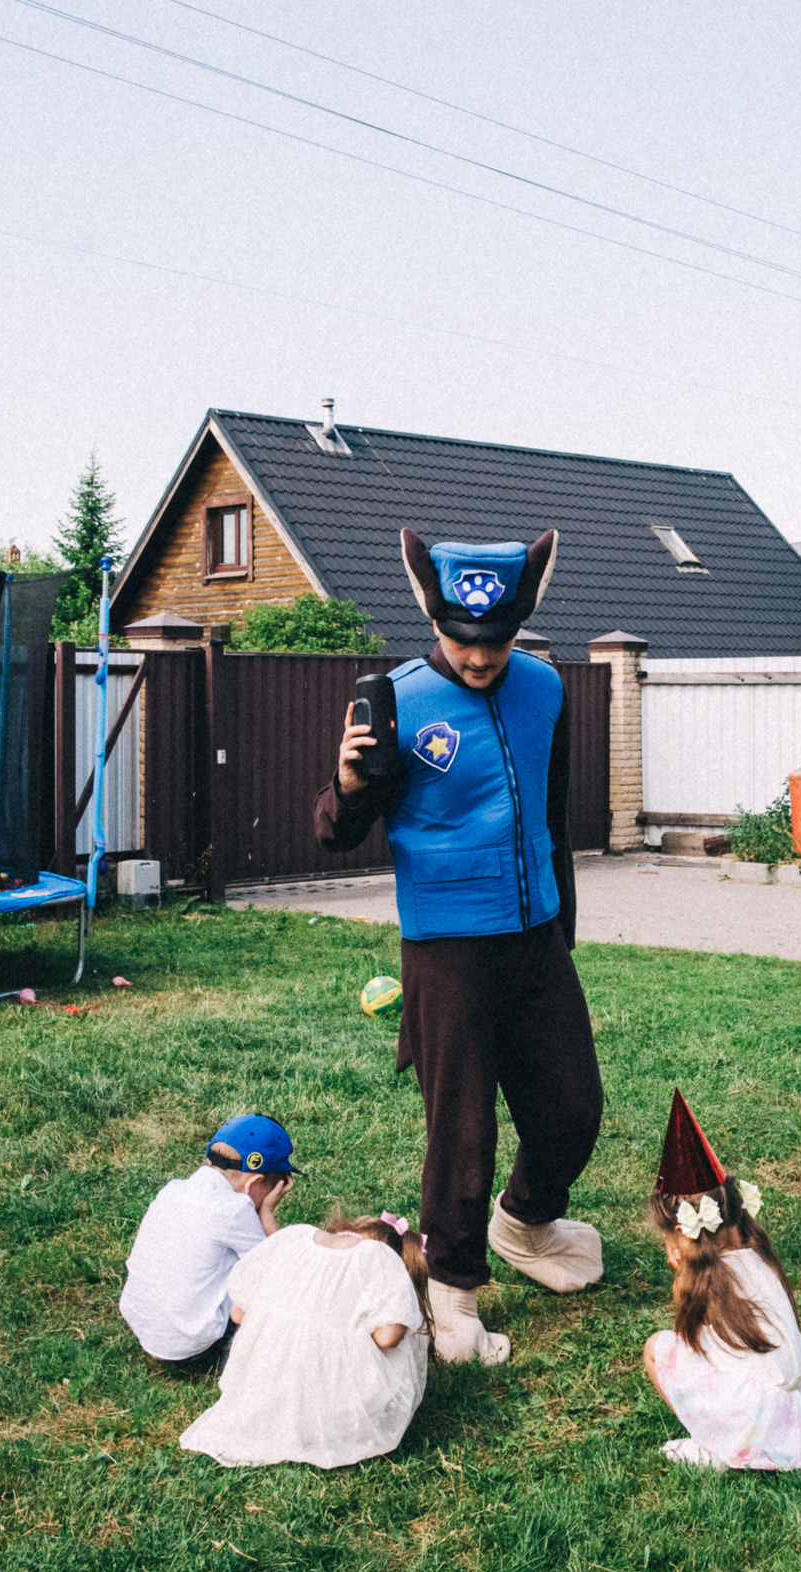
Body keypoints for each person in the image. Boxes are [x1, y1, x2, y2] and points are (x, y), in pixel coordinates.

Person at [315, 527, 604, 1365]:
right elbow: (334, 834)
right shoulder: (399, 701)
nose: (479, 658)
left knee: (572, 1106)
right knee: (462, 1126)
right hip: (448, 948)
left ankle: (525, 1221)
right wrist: (345, 781)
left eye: (496, 640)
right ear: (433, 617)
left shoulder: (547, 688)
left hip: (536, 935)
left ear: (521, 623)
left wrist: (563, 929)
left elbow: (552, 820)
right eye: (462, 640)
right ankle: (453, 1297)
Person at [642, 1090, 801, 1472]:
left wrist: (680, 1276)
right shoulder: (758, 1255)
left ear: (681, 1233)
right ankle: (747, 1439)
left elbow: (691, 1345)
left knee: (658, 1347)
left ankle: (718, 1444)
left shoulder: (702, 1281)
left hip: (761, 1426)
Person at [178, 1210, 431, 1469]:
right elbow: (388, 1338)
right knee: (400, 1334)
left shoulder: (292, 1236)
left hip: (264, 1387)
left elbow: (238, 1313)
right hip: (332, 1409)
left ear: (343, 1227)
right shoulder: (380, 1258)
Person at [118, 1113, 298, 1368]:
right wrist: (266, 1213)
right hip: (191, 1349)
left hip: (143, 1329)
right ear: (254, 1182)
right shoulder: (233, 1209)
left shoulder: (172, 1190)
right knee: (265, 1286)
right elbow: (281, 1272)